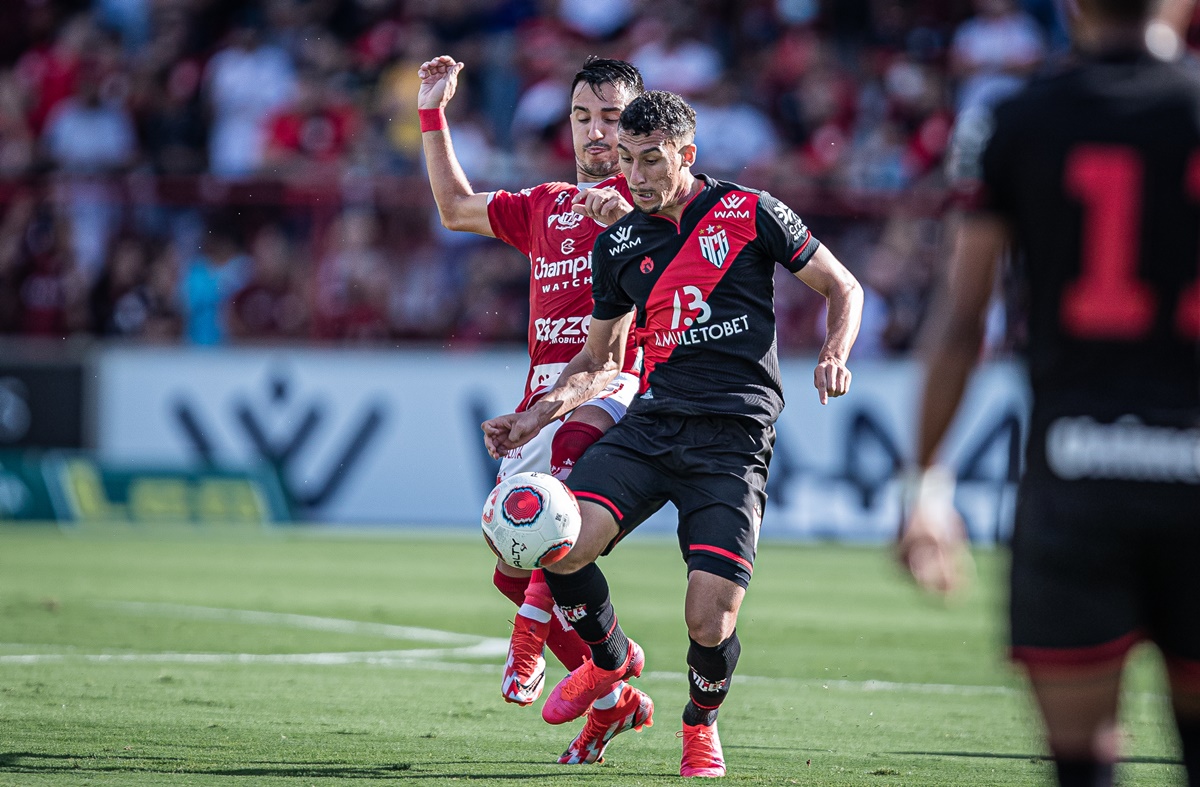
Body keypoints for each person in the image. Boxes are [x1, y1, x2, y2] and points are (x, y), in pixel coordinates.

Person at [483, 90, 863, 777]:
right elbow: (598, 361)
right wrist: (535, 417)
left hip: (733, 440)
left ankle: (699, 722)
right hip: (654, 424)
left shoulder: (750, 212)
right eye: (624, 160)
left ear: (687, 155)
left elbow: (844, 287)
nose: (635, 175)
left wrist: (835, 352)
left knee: (709, 621)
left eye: (651, 159)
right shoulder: (621, 242)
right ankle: (610, 662)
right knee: (560, 539)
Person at [898, 1, 1200, 785]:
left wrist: (925, 483)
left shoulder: (1015, 120)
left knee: (1081, 768)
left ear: (1072, 7)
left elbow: (963, 322)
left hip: (1073, 482)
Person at [417, 54, 653, 764]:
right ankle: (615, 694)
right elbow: (455, 209)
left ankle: (528, 646)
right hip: (541, 395)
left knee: (561, 501)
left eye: (611, 117)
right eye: (583, 117)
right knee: (508, 564)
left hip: (613, 382)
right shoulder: (548, 203)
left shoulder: (653, 204)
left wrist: (632, 219)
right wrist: (432, 111)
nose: (595, 132)